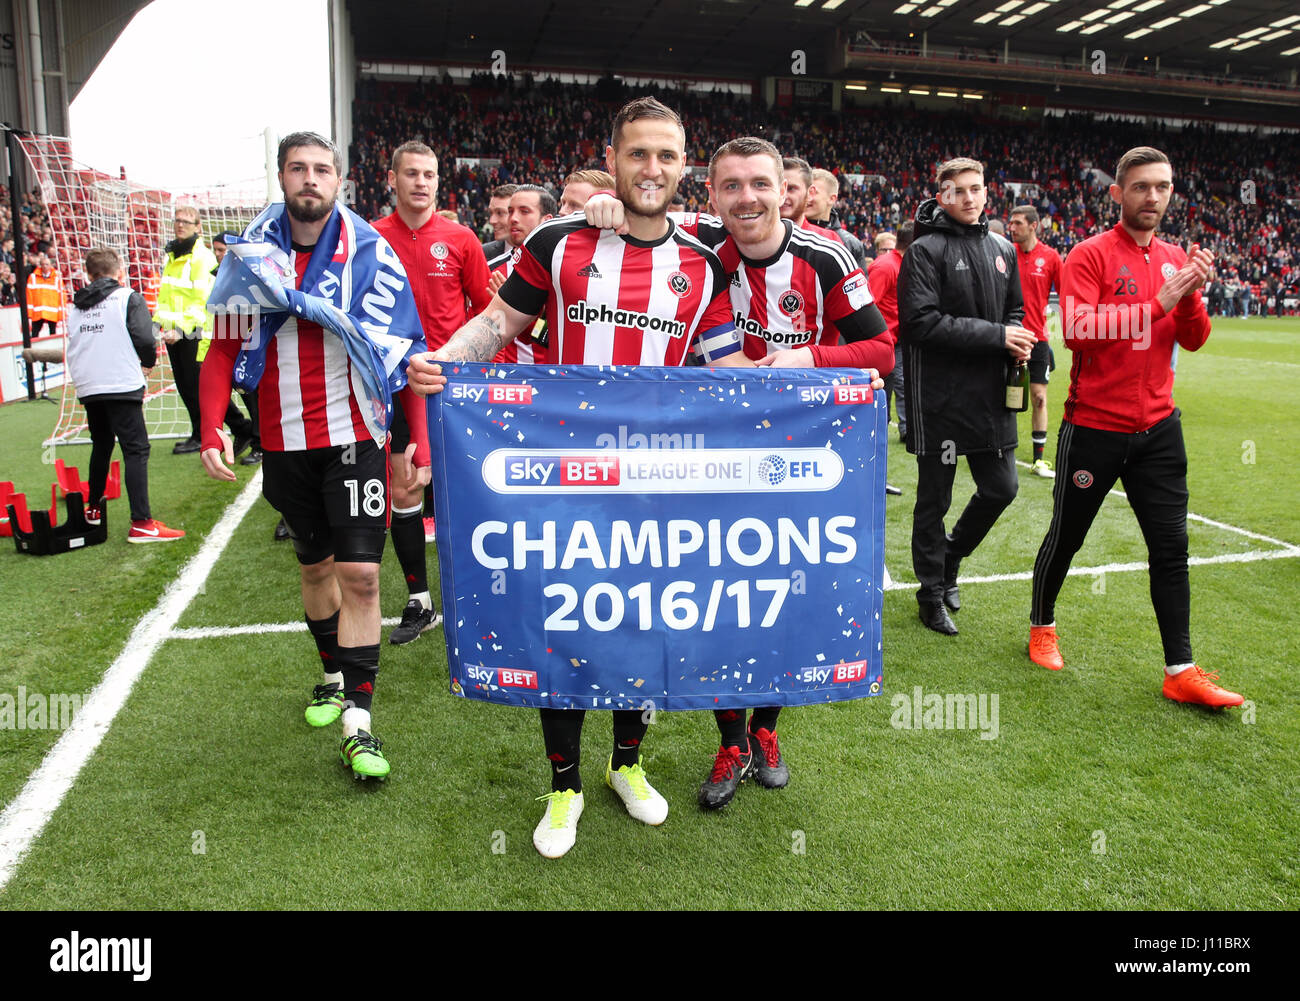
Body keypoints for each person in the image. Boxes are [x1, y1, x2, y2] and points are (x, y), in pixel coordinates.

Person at [407, 96, 751, 859]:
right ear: (616, 159)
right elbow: (499, 322)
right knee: (561, 624)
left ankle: (625, 763)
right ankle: (562, 785)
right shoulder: (560, 241)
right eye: (638, 155)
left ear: (683, 165)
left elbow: (730, 373)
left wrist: (818, 394)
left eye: (666, 155)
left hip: (658, 483)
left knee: (639, 624)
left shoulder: (703, 260)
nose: (652, 169)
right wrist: (446, 359)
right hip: (563, 476)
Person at [199, 131, 432, 779]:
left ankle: (360, 721)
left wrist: (419, 437)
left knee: (360, 574)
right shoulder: (252, 261)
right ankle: (331, 674)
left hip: (356, 434)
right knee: (315, 569)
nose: (310, 178)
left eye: (322, 169)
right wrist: (214, 427)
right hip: (283, 442)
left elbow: (407, 352)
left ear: (340, 180)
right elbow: (221, 350)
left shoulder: (370, 256)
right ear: (282, 178)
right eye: (298, 168)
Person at [1027, 146, 1244, 709]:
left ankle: (1181, 669)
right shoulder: (1089, 255)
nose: (1154, 196)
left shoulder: (1176, 257)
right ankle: (1042, 624)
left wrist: (1190, 295)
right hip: (1094, 426)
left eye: (1164, 187)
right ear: (1117, 192)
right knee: (1068, 536)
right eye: (1142, 186)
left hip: (1159, 429)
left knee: (1171, 548)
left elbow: (1193, 339)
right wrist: (1157, 303)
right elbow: (1076, 329)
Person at [898, 157, 1034, 636]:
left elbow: (1015, 308)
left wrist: (1016, 333)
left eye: (977, 188)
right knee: (934, 499)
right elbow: (921, 323)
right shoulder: (924, 251)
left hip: (992, 394)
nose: (971, 198)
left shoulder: (1002, 247)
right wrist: (998, 335)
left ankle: (951, 558)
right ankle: (929, 594)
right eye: (960, 191)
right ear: (943, 198)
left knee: (1003, 488)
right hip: (939, 397)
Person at [373, 140, 492, 645]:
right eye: (412, 174)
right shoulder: (370, 239)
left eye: (430, 175)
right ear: (393, 180)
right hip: (397, 384)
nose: (422, 182)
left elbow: (489, 311)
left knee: (465, 490)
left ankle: (478, 596)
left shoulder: (462, 239)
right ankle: (418, 598)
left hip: (452, 386)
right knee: (405, 486)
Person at [65, 248, 184, 542]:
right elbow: (144, 336)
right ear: (119, 271)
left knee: (101, 443)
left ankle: (93, 509)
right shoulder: (127, 297)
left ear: (89, 274)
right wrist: (147, 362)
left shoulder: (75, 305)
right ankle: (142, 522)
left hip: (89, 383)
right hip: (119, 380)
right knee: (135, 448)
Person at [156, 206, 254, 458]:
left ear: (197, 226)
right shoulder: (173, 256)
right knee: (186, 387)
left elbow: (203, 300)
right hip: (174, 332)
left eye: (187, 222)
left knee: (200, 386)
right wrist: (162, 323)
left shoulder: (202, 258)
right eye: (178, 220)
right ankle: (218, 430)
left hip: (193, 331)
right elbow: (168, 296)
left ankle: (227, 429)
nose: (181, 225)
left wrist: (182, 328)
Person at [1008, 205, 1063, 478]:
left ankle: (1039, 459)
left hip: (1037, 338)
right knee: (1003, 395)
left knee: (1039, 397)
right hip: (1007, 335)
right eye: (1011, 223)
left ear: (1034, 225)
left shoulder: (1051, 257)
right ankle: (997, 448)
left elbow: (1067, 294)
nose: (1012, 228)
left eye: (1017, 223)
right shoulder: (1005, 253)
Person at [209, 232, 264, 467]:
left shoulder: (247, 275)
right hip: (224, 343)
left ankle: (261, 444)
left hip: (253, 346)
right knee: (245, 394)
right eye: (217, 250)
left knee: (256, 397)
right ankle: (251, 435)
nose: (219, 255)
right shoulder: (219, 276)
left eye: (223, 250)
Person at [489, 184, 556, 363]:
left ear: (546, 220)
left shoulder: (563, 270)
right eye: (510, 211)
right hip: (506, 382)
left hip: (553, 380)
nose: (513, 218)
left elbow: (542, 336)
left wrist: (512, 303)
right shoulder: (492, 270)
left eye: (524, 211)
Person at [870, 224, 914, 495]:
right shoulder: (886, 267)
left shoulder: (899, 264)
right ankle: (872, 478)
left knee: (884, 411)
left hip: (896, 343)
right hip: (882, 347)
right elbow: (867, 307)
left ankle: (877, 477)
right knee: (879, 413)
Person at [807, 168, 867, 269]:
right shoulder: (785, 234)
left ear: (832, 199)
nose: (807, 197)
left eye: (814, 192)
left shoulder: (851, 244)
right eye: (806, 191)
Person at [25, 253, 63, 338]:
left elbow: (62, 296)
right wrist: (30, 313)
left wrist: (61, 313)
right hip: (38, 312)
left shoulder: (57, 278)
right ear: (40, 265)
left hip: (52, 311)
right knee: (35, 334)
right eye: (43, 264)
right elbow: (29, 295)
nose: (45, 266)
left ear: (51, 266)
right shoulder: (33, 277)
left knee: (53, 334)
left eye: (47, 264)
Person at [480, 183, 517, 264]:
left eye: (500, 213)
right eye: (490, 213)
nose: (492, 221)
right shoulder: (482, 253)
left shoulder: (545, 254)